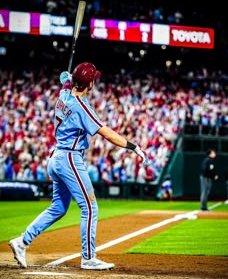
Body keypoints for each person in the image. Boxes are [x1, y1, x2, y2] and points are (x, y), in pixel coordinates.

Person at [9, 62, 147, 271]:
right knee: (90, 207)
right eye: (93, 79)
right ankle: (88, 257)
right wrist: (132, 146)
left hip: (56, 157)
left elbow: (65, 80)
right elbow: (106, 132)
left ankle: (22, 242)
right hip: (70, 159)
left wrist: (68, 77)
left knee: (58, 207)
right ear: (89, 84)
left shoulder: (64, 94)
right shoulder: (82, 106)